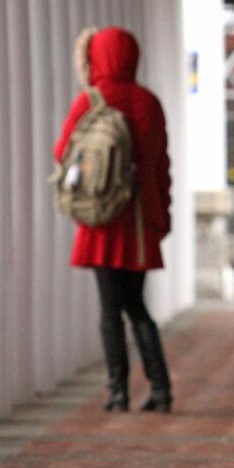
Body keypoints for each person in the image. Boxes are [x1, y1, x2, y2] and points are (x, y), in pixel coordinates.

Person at [54, 27, 174, 413]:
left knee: (109, 310)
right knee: (137, 305)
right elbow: (160, 166)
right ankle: (160, 388)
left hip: (102, 219)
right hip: (138, 219)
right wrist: (162, 211)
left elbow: (62, 152)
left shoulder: (90, 100)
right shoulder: (149, 102)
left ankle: (118, 390)